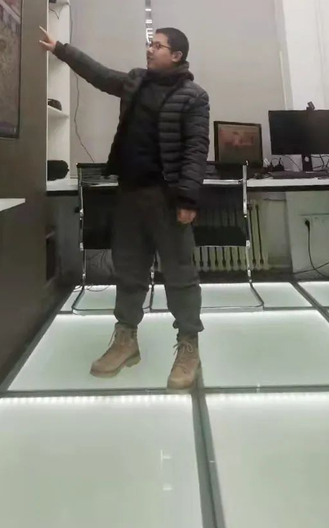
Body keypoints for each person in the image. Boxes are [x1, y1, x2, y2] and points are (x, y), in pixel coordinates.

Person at [39, 26, 209, 390]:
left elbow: (197, 148)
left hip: (167, 198)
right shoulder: (135, 82)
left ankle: (188, 347)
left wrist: (188, 198)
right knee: (129, 271)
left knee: (180, 273)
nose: (150, 49)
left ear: (176, 55)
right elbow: (100, 75)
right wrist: (61, 50)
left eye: (157, 45)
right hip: (130, 193)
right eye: (150, 43)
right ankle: (126, 340)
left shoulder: (194, 96)